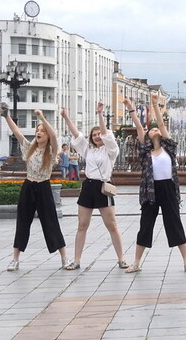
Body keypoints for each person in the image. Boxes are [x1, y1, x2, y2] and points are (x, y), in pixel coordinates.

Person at [124, 94, 186, 274]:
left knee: (174, 223)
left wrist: (155, 105)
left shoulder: (168, 148)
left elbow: (162, 124)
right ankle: (136, 262)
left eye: (157, 129)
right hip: (150, 191)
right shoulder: (145, 151)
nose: (155, 130)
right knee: (145, 225)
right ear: (147, 136)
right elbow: (139, 127)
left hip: (168, 188)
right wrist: (130, 107)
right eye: (151, 130)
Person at [60, 102, 127, 271]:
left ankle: (121, 258)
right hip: (88, 186)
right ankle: (76, 260)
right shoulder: (88, 150)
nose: (97, 136)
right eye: (94, 134)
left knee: (111, 225)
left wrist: (100, 115)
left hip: (104, 187)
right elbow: (77, 135)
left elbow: (106, 135)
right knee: (82, 225)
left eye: (99, 134)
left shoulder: (111, 150)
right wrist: (66, 117)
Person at [2, 105, 68, 271]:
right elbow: (16, 131)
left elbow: (53, 135)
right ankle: (15, 259)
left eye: (42, 131)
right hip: (28, 187)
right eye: (38, 130)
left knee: (51, 222)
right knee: (23, 223)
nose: (39, 133)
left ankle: (64, 258)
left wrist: (42, 118)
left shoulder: (52, 151)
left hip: (44, 187)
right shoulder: (29, 148)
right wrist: (6, 116)